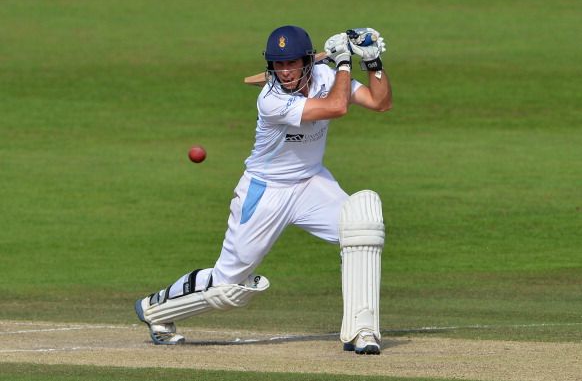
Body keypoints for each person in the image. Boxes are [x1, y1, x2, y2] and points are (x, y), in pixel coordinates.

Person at [135, 25, 392, 354]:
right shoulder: (271, 99)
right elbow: (336, 108)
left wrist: (373, 62)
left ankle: (362, 331)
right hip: (266, 191)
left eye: (291, 64)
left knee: (362, 227)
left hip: (312, 183)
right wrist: (343, 61)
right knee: (229, 287)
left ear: (306, 61)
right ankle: (155, 309)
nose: (284, 72)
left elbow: (379, 102)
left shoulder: (326, 77)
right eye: (278, 65)